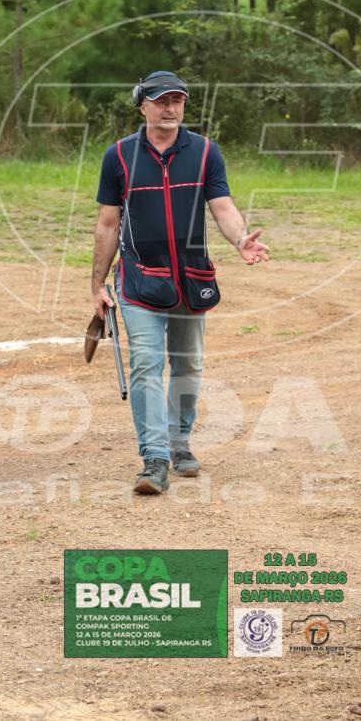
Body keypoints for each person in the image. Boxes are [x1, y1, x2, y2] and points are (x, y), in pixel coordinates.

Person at [91, 71, 269, 495]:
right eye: (161, 100)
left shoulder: (205, 152)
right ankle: (154, 459)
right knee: (147, 364)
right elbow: (108, 224)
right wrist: (97, 284)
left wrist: (240, 239)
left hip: (191, 279)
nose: (170, 108)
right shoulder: (119, 156)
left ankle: (179, 442)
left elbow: (222, 206)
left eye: (177, 100)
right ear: (143, 106)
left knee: (187, 364)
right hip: (139, 280)